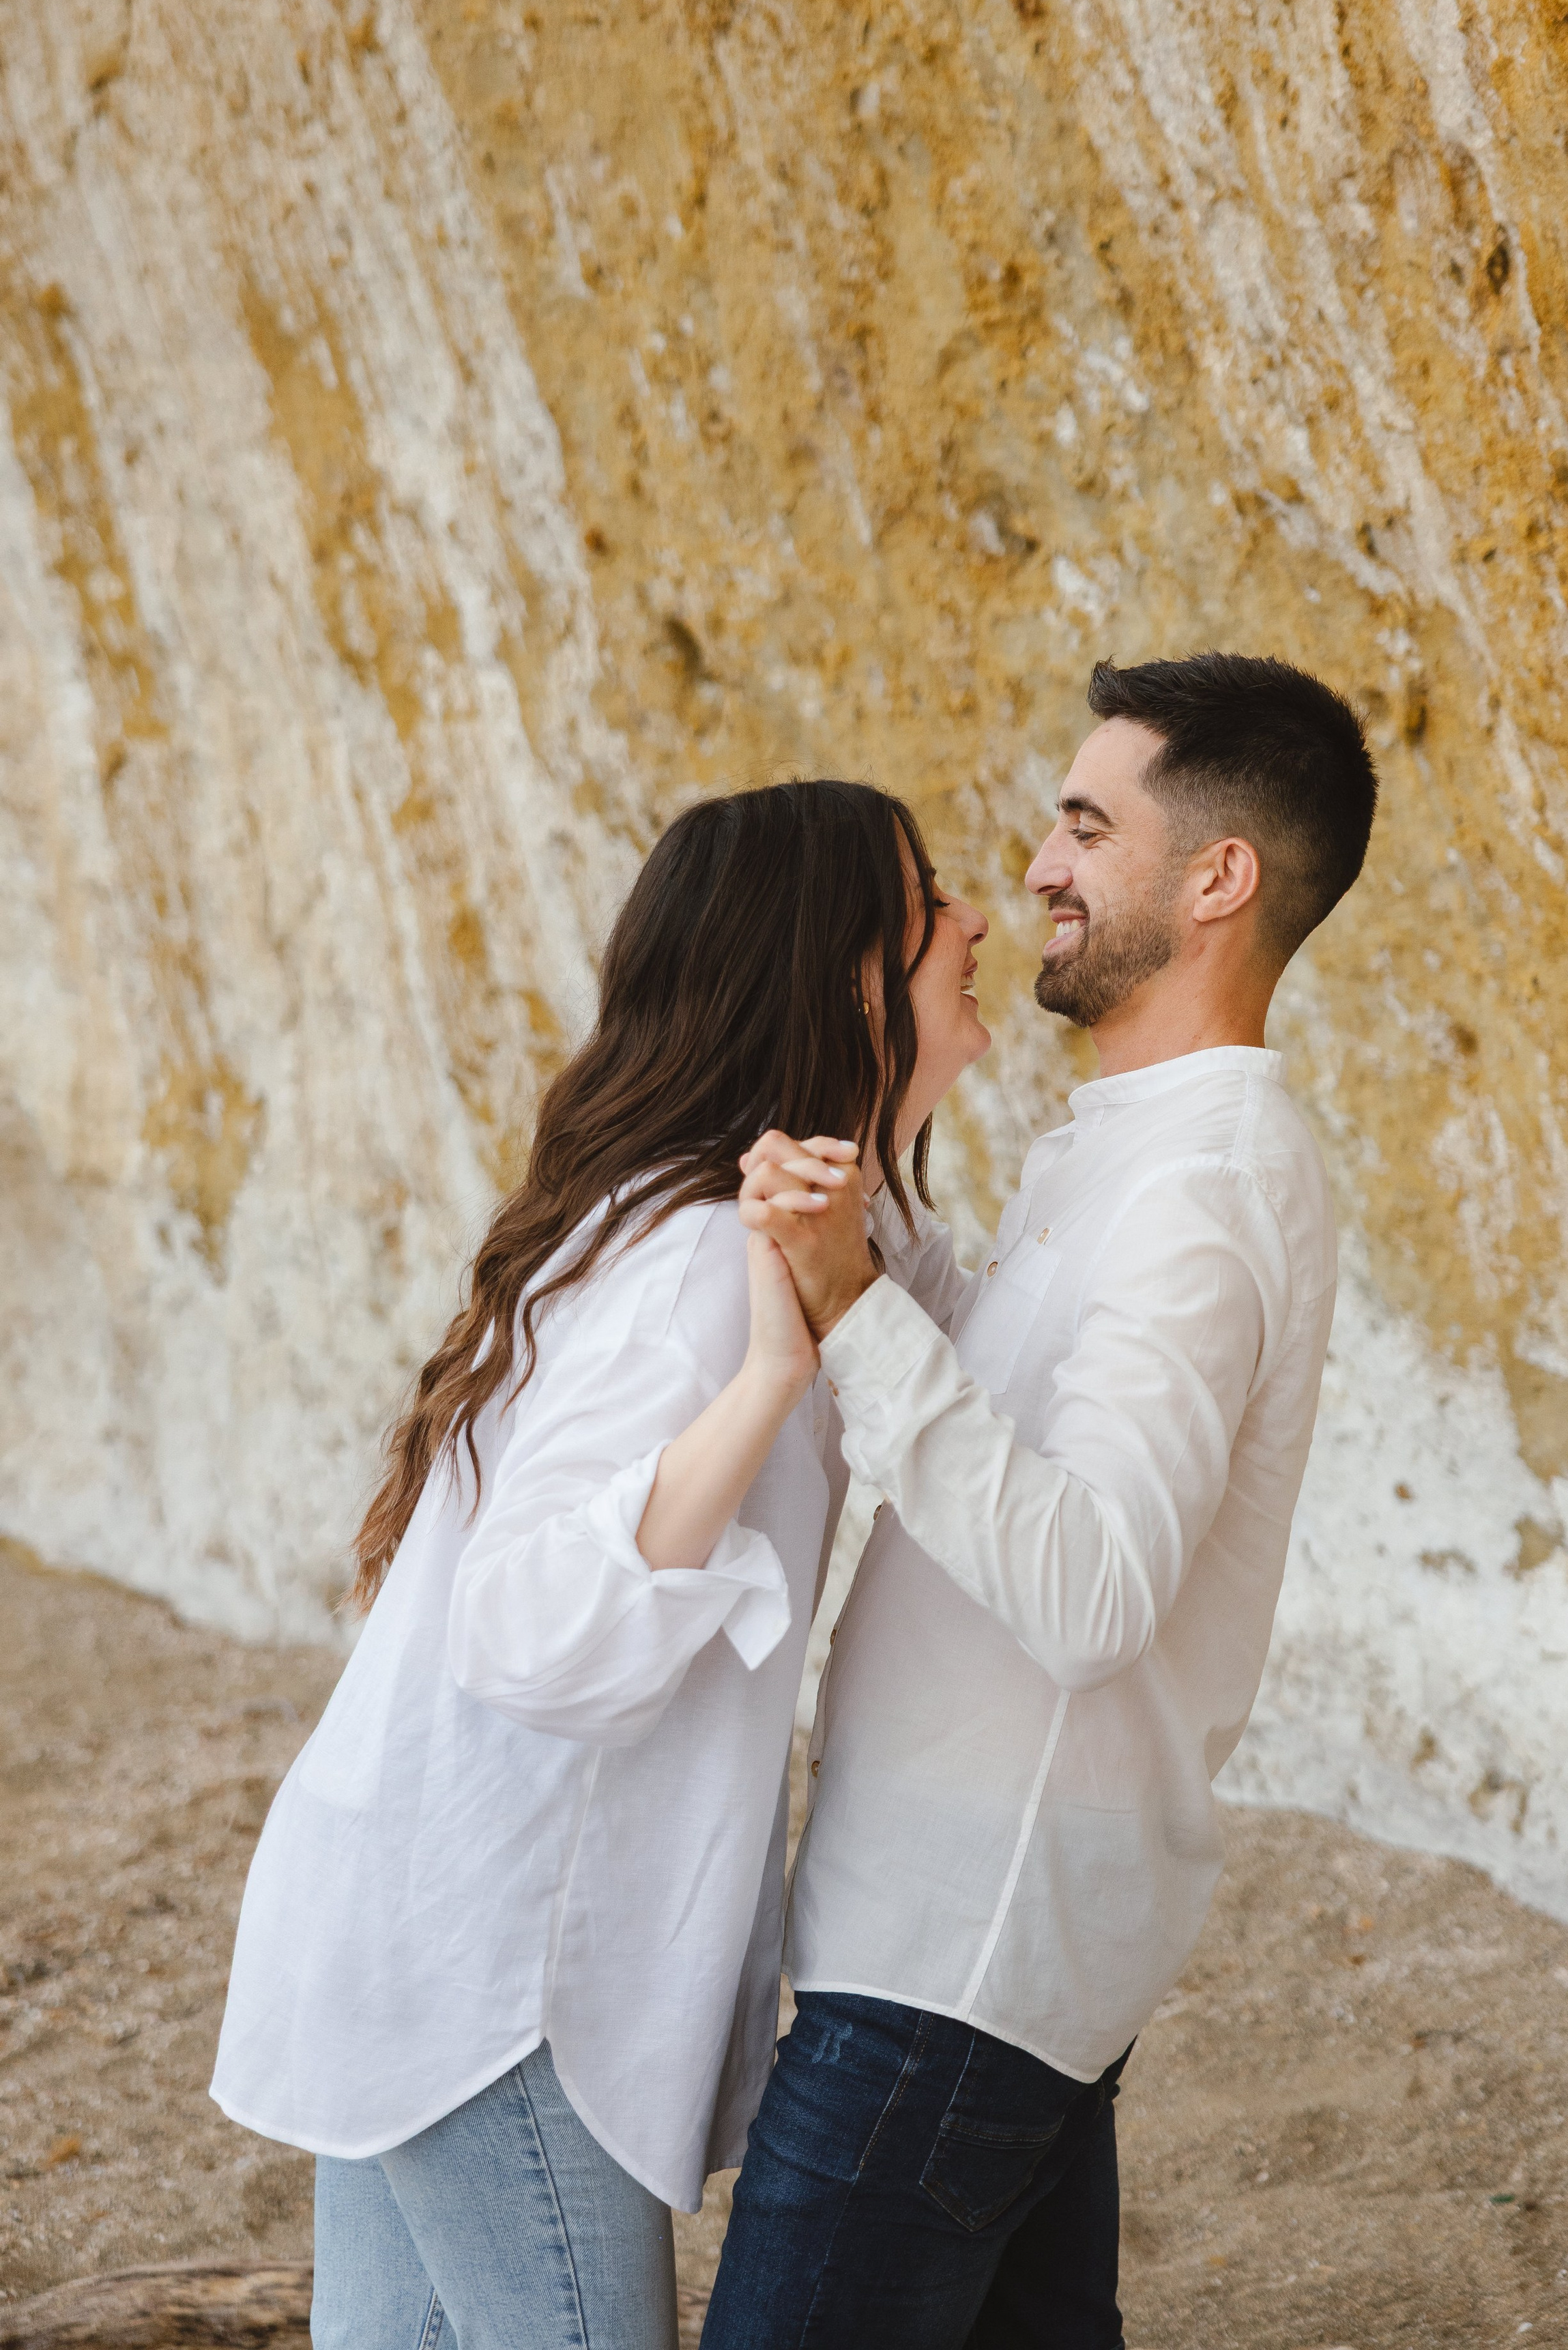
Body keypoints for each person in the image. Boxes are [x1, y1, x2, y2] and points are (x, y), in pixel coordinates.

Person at [209, 780, 993, 2350]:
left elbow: (968, 1360)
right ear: (845, 971)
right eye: (928, 904)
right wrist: (764, 1379)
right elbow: (524, 1628)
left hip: (418, 1922)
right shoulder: (706, 1264)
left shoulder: (782, 1230)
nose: (973, 924)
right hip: (495, 1982)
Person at [709, 652, 1378, 2350]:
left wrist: (851, 1303)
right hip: (981, 1951)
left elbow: (1087, 1591)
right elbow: (1014, 1416)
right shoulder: (1142, 1146)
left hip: (957, 1966)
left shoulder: (1203, 1187)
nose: (1035, 868)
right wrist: (878, 1243)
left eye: (1088, 825)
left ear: (1213, 878)